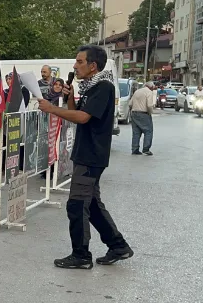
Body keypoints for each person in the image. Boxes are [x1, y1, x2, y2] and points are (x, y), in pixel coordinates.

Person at [37, 45, 133, 269]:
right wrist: (69, 97)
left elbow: (83, 117)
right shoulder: (90, 87)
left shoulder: (103, 87)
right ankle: (118, 246)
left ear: (93, 66)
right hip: (85, 153)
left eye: (79, 62)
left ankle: (81, 255)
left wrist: (51, 108)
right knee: (93, 205)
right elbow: (76, 113)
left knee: (77, 204)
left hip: (92, 155)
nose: (75, 66)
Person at [129, 81, 155, 155]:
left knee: (136, 132)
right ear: (151, 87)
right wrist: (150, 112)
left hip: (134, 113)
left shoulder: (137, 91)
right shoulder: (149, 92)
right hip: (144, 114)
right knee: (148, 131)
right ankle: (146, 149)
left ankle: (135, 149)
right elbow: (149, 105)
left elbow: (130, 104)